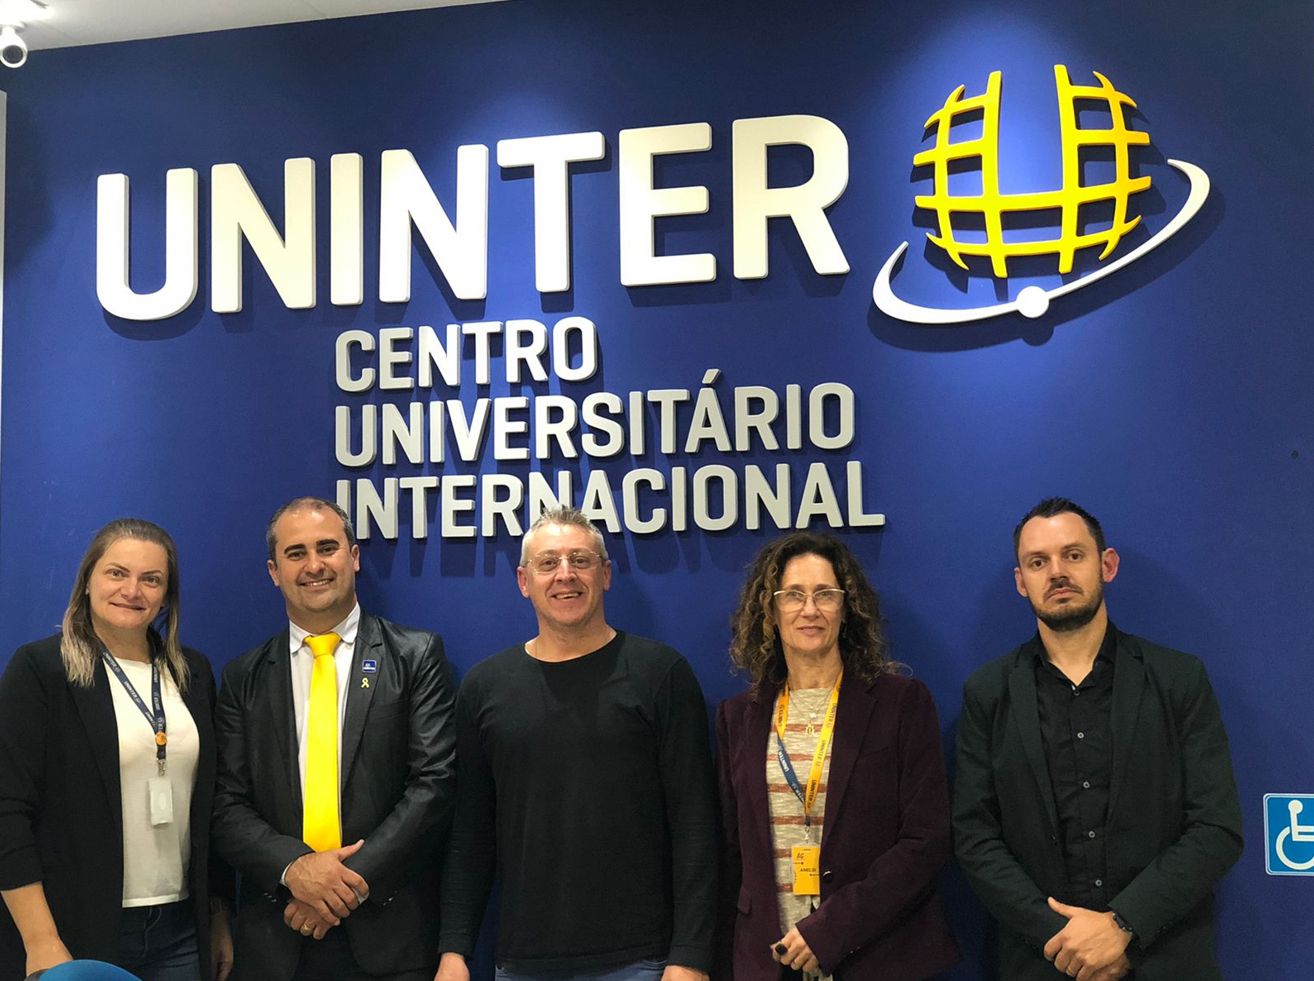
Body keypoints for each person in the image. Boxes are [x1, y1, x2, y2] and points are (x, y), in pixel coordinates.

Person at [953, 498, 1244, 981]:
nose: (1057, 572)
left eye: (1073, 555)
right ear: (1021, 582)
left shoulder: (1178, 679)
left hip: (1164, 959)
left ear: (1106, 565)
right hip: (1043, 962)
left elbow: (1217, 827)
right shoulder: (988, 693)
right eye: (1038, 562)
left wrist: (1125, 926)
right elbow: (974, 836)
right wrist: (1067, 942)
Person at [436, 506, 718, 981]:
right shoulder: (485, 688)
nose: (565, 574)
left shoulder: (660, 674)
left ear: (605, 575)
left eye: (580, 560)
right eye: (548, 563)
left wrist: (690, 955)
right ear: (524, 581)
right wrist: (454, 950)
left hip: (642, 961)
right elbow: (471, 832)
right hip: (523, 963)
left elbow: (696, 825)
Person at [211, 497, 456, 981]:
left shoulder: (415, 656)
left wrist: (344, 884)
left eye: (327, 548)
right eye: (295, 553)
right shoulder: (243, 677)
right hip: (276, 937)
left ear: (354, 556)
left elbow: (434, 784)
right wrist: (297, 871)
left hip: (390, 938)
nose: (314, 565)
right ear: (274, 572)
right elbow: (224, 803)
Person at [716, 532, 959, 981]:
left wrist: (829, 932)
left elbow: (926, 840)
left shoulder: (901, 703)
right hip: (771, 962)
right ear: (770, 610)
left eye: (825, 594)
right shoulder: (738, 717)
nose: (809, 609)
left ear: (846, 609)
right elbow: (731, 852)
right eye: (793, 595)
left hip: (877, 957)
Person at [0, 518, 233, 981]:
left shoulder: (192, 673)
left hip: (181, 929)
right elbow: (6, 809)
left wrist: (218, 915)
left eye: (151, 579)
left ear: (166, 596)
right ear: (87, 581)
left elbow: (212, 805)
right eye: (116, 573)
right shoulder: (42, 669)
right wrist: (40, 939)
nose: (132, 590)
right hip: (73, 929)